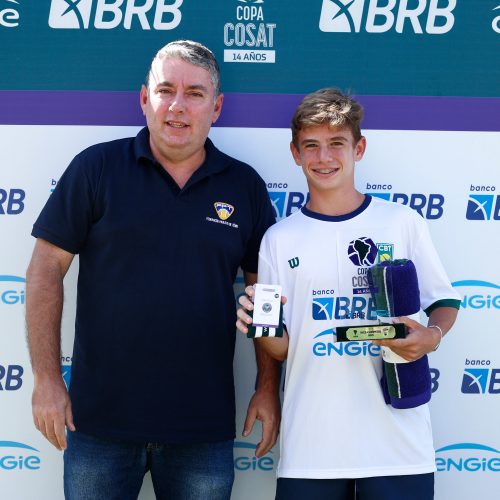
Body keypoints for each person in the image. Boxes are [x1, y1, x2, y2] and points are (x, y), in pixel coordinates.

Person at [26, 40, 280, 500]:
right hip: (97, 425)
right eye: (166, 90)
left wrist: (267, 387)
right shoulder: (96, 169)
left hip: (201, 429)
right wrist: (46, 378)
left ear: (217, 107)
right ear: (145, 99)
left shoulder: (244, 186)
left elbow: (264, 295)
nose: (178, 106)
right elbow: (45, 269)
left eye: (195, 94)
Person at [236, 88, 460, 500]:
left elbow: (444, 302)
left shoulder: (401, 222)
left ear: (359, 148)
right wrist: (259, 327)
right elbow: (281, 348)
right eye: (311, 145)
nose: (324, 157)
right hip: (312, 451)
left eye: (336, 143)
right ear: (295, 153)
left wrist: (432, 336)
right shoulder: (279, 240)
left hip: (398, 449)